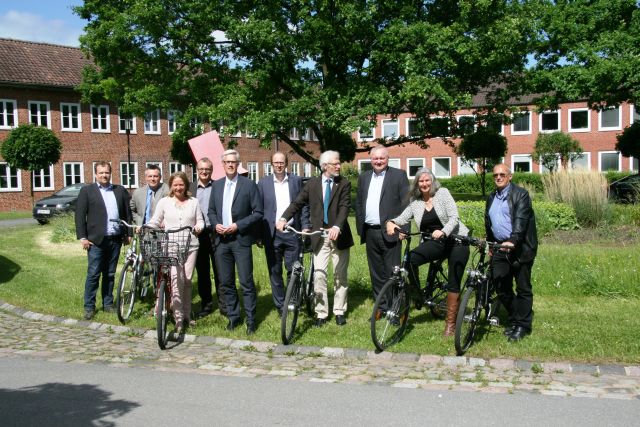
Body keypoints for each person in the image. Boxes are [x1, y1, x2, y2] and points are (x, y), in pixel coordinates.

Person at [386, 167, 470, 336]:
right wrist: (392, 222)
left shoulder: (443, 193)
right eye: (420, 181)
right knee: (409, 259)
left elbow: (454, 217)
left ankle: (450, 324)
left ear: (432, 182)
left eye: (427, 180)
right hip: (436, 242)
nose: (424, 184)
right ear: (417, 184)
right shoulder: (416, 202)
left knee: (454, 281)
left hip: (456, 240)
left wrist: (444, 231)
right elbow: (403, 217)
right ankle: (418, 294)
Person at [276, 150, 354, 327]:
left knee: (339, 276)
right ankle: (321, 312)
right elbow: (297, 203)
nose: (339, 166)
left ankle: (339, 311)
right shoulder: (312, 184)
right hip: (319, 236)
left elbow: (344, 207)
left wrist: (337, 226)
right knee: (319, 275)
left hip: (338, 235)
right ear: (325, 166)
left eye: (339, 163)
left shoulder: (344, 183)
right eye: (335, 163)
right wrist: (283, 218)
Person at [208, 149, 263, 335]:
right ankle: (233, 316)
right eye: (227, 162)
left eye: (233, 162)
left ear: (238, 164)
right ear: (222, 164)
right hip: (221, 241)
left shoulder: (248, 185)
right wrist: (216, 225)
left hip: (240, 240)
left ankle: (250, 319)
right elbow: (211, 211)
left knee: (246, 282)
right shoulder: (216, 185)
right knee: (226, 282)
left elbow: (258, 213)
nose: (230, 165)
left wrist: (237, 226)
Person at [485, 163, 538, 342]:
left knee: (523, 287)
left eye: (502, 174)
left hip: (521, 247)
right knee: (500, 285)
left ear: (510, 176)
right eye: (495, 175)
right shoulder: (491, 197)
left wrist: (513, 240)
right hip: (500, 246)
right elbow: (489, 223)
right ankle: (517, 318)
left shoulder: (520, 194)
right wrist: (491, 245)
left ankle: (522, 325)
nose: (498, 177)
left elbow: (521, 221)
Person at [146, 171, 204, 334]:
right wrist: (145, 228)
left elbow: (199, 220)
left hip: (191, 245)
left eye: (181, 184)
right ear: (171, 186)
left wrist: (199, 227)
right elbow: (155, 221)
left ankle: (186, 314)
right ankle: (178, 318)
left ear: (186, 185)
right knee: (175, 278)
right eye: (175, 185)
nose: (178, 187)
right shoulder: (165, 202)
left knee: (187, 279)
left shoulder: (194, 202)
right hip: (171, 245)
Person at [355, 145, 409, 314]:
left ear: (387, 159)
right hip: (370, 232)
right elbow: (358, 203)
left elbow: (406, 203)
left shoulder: (399, 175)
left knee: (393, 272)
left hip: (392, 231)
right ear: (370, 159)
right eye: (375, 158)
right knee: (376, 272)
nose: (378, 161)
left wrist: (403, 229)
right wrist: (360, 227)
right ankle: (381, 307)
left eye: (382, 158)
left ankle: (395, 309)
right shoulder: (363, 178)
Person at [75, 161, 132, 320]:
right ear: (95, 174)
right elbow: (80, 216)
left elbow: (127, 214)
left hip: (114, 240)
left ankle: (108, 304)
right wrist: (83, 237)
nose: (104, 175)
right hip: (96, 241)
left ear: (110, 173)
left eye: (106, 172)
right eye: (101, 173)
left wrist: (128, 233)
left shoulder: (119, 190)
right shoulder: (87, 191)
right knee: (93, 274)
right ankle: (89, 307)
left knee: (110, 273)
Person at [258, 152, 310, 316]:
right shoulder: (263, 183)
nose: (279, 165)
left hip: (292, 232)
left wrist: (306, 226)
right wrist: (258, 234)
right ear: (271, 164)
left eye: (281, 162)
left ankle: (293, 301)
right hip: (271, 234)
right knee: (274, 271)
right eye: (276, 162)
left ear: (286, 163)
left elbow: (304, 205)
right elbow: (258, 210)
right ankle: (280, 305)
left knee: (293, 269)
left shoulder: (296, 181)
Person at [190, 157, 224, 318]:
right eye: (201, 169)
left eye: (207, 169)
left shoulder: (218, 186)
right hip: (198, 234)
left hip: (216, 232)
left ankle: (224, 305)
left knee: (220, 271)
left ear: (212, 170)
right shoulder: (189, 188)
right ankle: (206, 304)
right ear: (197, 170)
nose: (204, 172)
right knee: (202, 271)